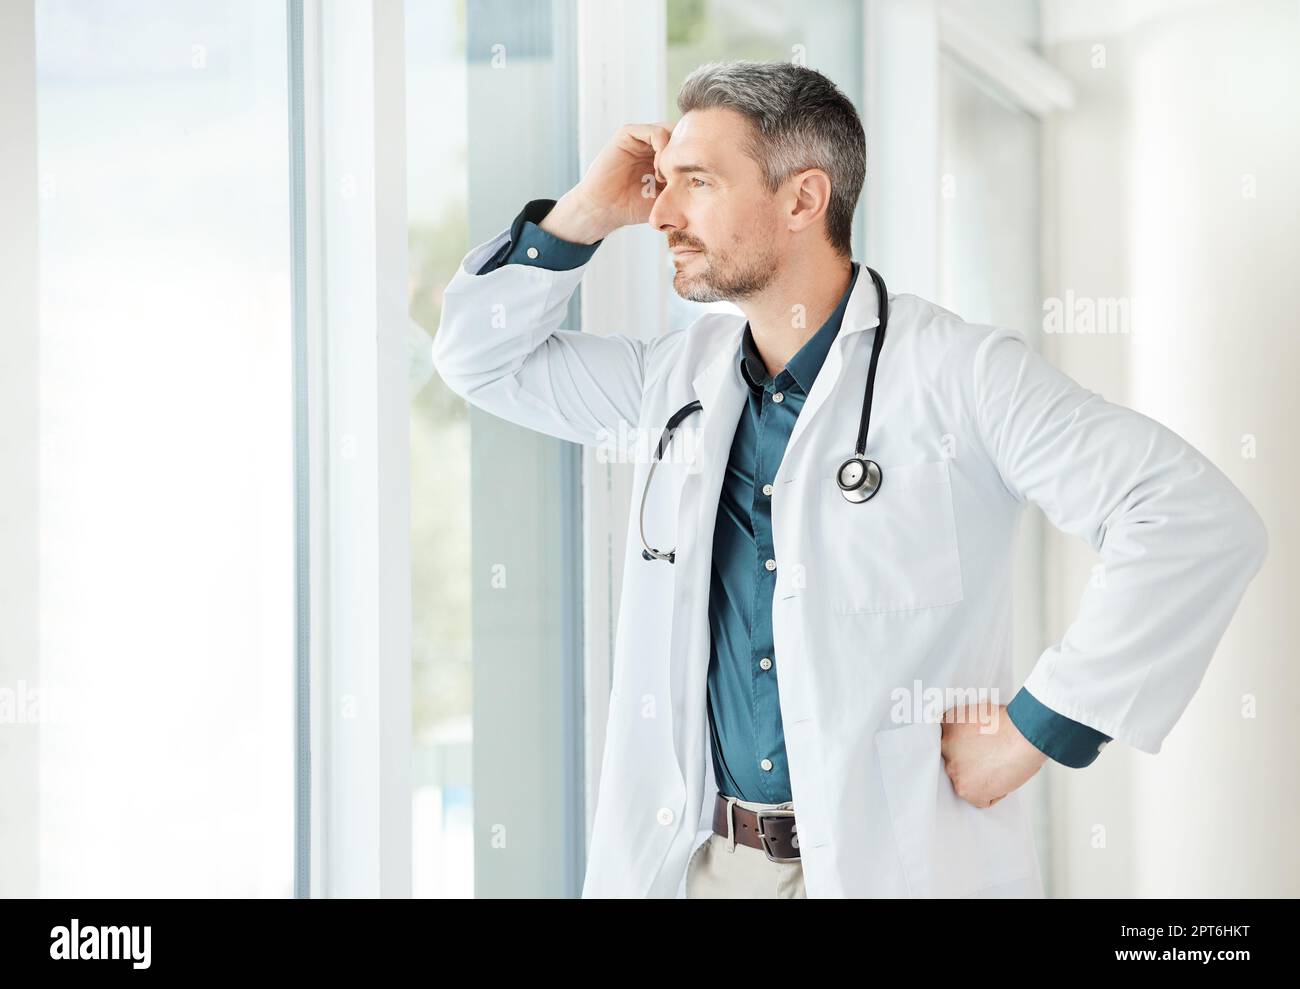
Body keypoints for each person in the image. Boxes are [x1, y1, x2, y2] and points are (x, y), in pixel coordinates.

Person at [431, 60, 1268, 898]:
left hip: (889, 866)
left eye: (696, 183)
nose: (660, 212)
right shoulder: (672, 383)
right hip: (704, 866)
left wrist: (1035, 729)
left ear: (802, 200)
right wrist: (582, 212)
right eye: (662, 183)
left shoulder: (962, 376)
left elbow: (1188, 517)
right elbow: (478, 358)